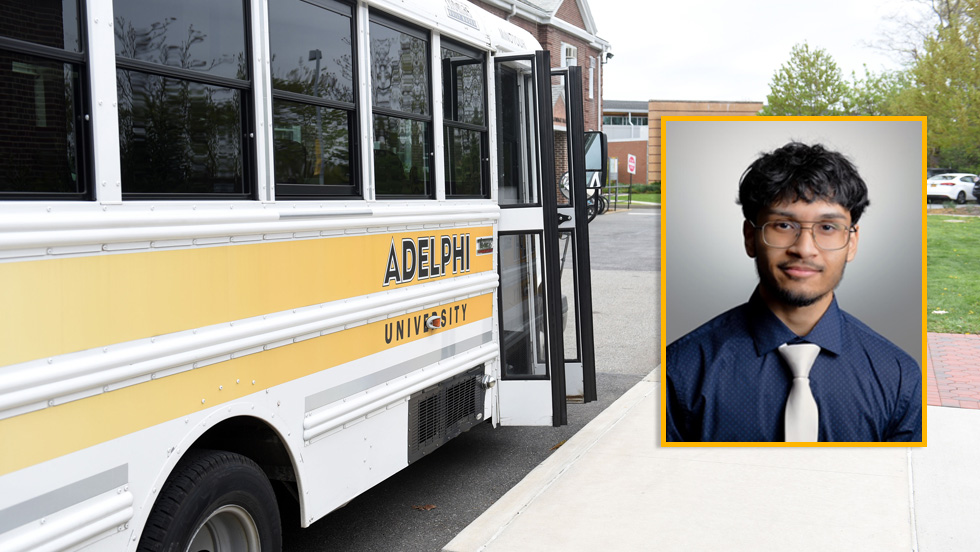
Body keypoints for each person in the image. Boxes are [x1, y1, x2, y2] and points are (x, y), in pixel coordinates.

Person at [665, 142, 922, 442]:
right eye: (783, 225)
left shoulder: (898, 375)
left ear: (852, 242)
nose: (804, 249)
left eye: (828, 227)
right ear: (750, 237)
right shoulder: (681, 370)